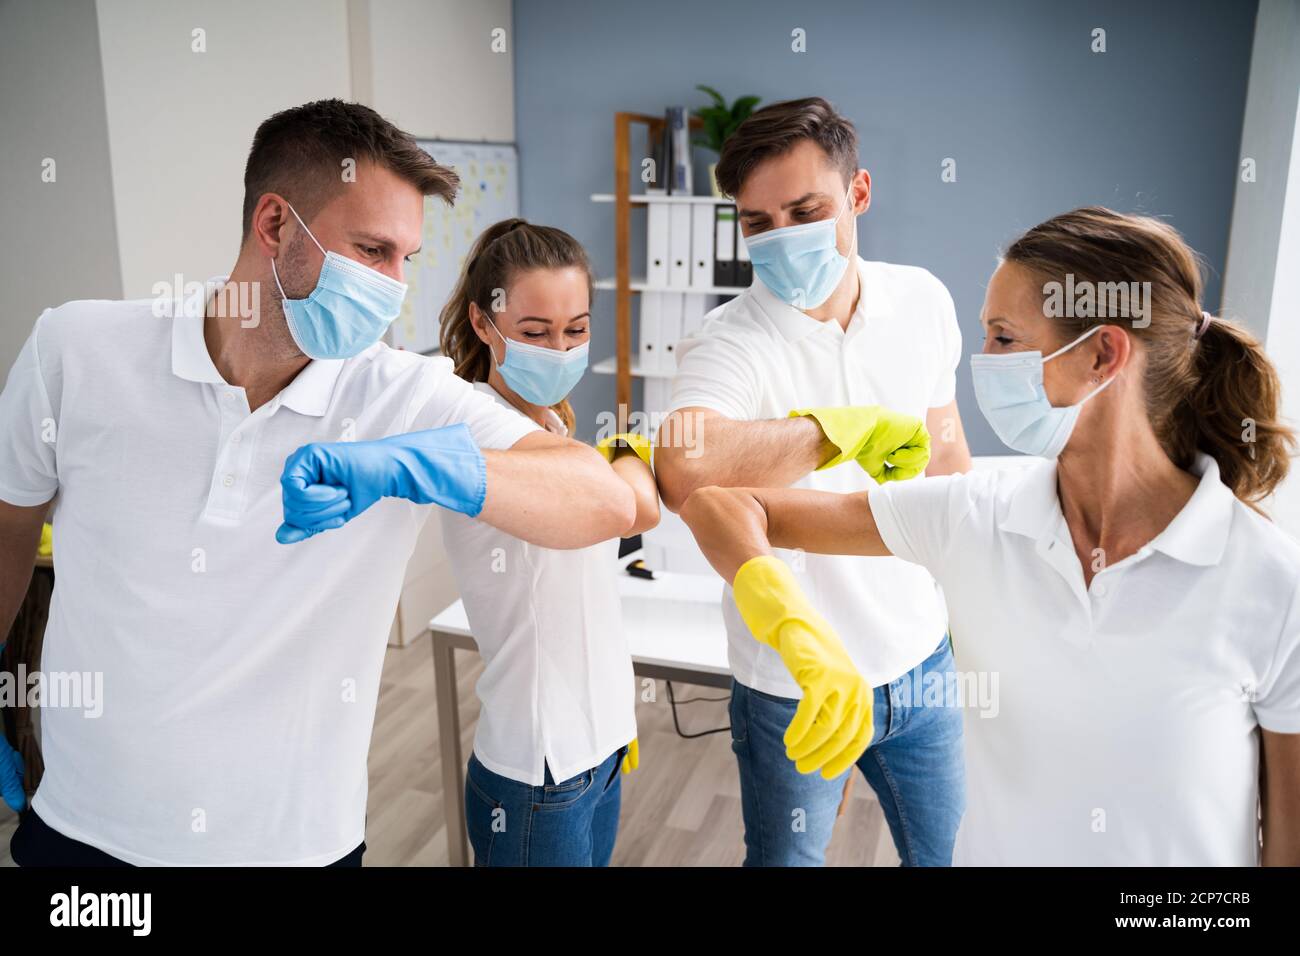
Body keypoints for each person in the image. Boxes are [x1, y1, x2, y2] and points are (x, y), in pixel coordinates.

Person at [0, 99, 635, 866]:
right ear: (274, 226)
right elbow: (8, 531)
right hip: (80, 834)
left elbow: (601, 500)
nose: (395, 286)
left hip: (295, 847)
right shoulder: (78, 350)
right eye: (372, 251)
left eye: (407, 258)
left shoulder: (403, 396)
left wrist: (420, 462)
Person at [680, 206, 1300, 866]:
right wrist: (791, 623)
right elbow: (722, 504)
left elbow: (1287, 843)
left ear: (1102, 353)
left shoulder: (1269, 582)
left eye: (1004, 339)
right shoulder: (976, 516)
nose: (982, 363)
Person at [654, 96, 972, 866]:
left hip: (921, 664)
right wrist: (837, 431)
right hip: (792, 682)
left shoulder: (922, 300)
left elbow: (948, 458)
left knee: (951, 855)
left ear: (858, 194)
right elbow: (685, 463)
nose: (784, 237)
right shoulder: (728, 340)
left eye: (806, 209)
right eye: (759, 223)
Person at [298, 218, 658, 865]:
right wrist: (631, 451)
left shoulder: (548, 422)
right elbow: (634, 506)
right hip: (538, 773)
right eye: (535, 332)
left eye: (576, 329)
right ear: (485, 323)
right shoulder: (479, 425)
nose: (560, 349)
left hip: (596, 752)